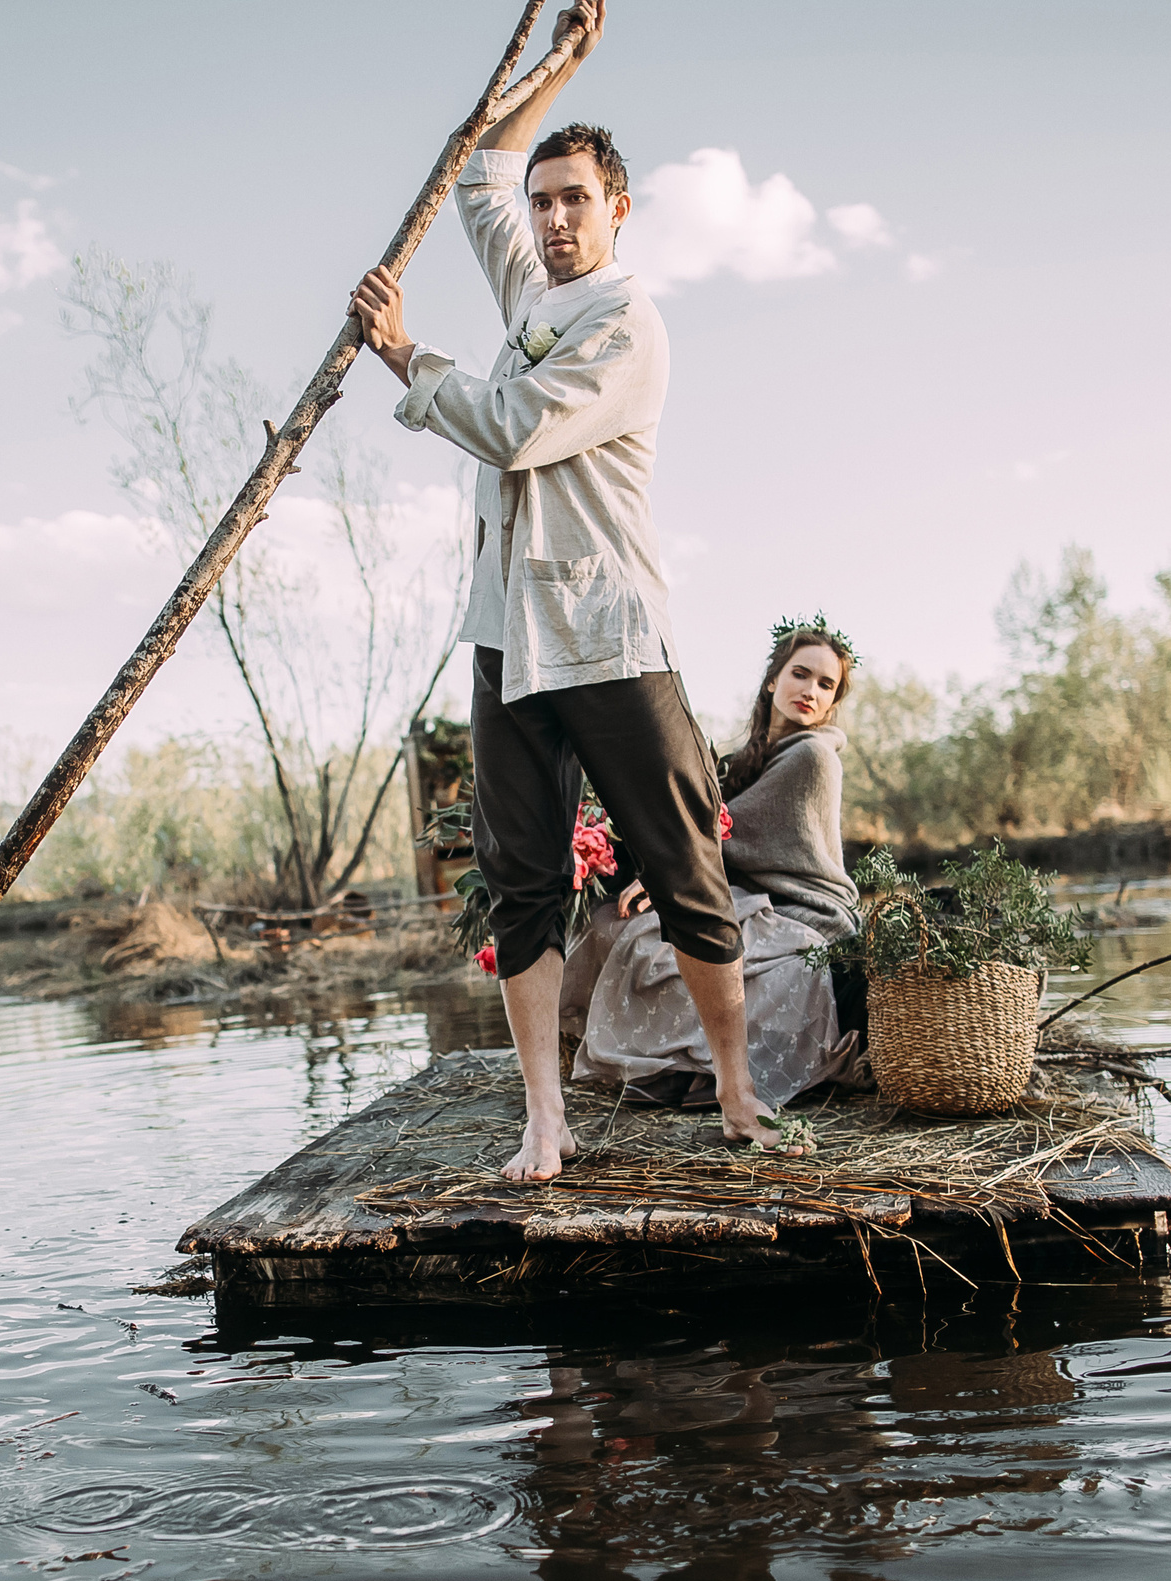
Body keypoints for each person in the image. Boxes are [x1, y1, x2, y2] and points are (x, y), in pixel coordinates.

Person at [350, 0, 777, 1183]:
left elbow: (510, 428)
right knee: (518, 883)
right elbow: (482, 173)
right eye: (545, 203)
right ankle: (545, 1116)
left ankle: (738, 1091)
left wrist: (404, 356)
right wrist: (565, 60)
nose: (550, 217)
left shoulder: (625, 326)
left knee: (684, 861)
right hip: (504, 638)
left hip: (606, 631)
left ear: (617, 210)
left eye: (573, 199)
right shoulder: (531, 297)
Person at [562, 625, 864, 1116]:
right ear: (773, 681)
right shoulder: (747, 757)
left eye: (825, 685)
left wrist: (669, 876)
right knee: (635, 935)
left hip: (807, 908)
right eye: (801, 675)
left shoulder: (813, 756)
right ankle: (678, 1066)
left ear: (832, 702)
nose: (810, 691)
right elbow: (709, 828)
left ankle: (703, 1069)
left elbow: (733, 840)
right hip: (748, 896)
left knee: (690, 946)